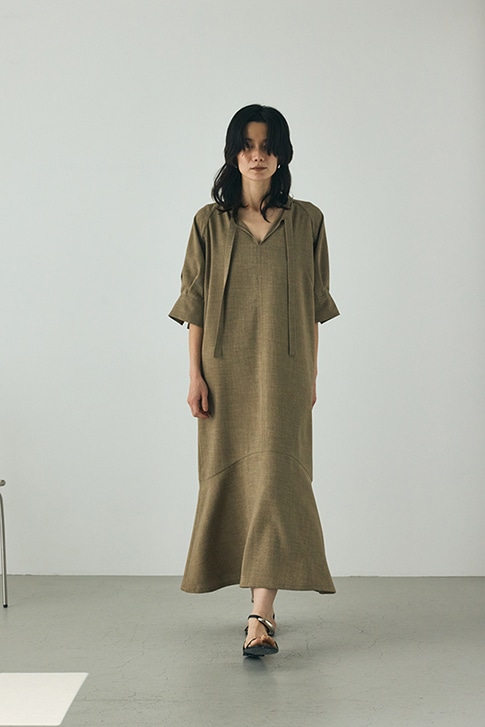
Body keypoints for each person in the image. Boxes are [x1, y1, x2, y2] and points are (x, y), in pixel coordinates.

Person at [169, 104, 339, 657]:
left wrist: (310, 374)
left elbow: (315, 307)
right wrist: (194, 374)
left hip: (285, 374)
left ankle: (259, 613)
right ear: (234, 154)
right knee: (238, 481)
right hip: (225, 372)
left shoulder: (308, 221)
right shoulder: (208, 223)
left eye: (267, 146)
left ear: (282, 154)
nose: (257, 155)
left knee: (278, 483)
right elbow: (194, 304)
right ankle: (259, 609)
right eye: (247, 145)